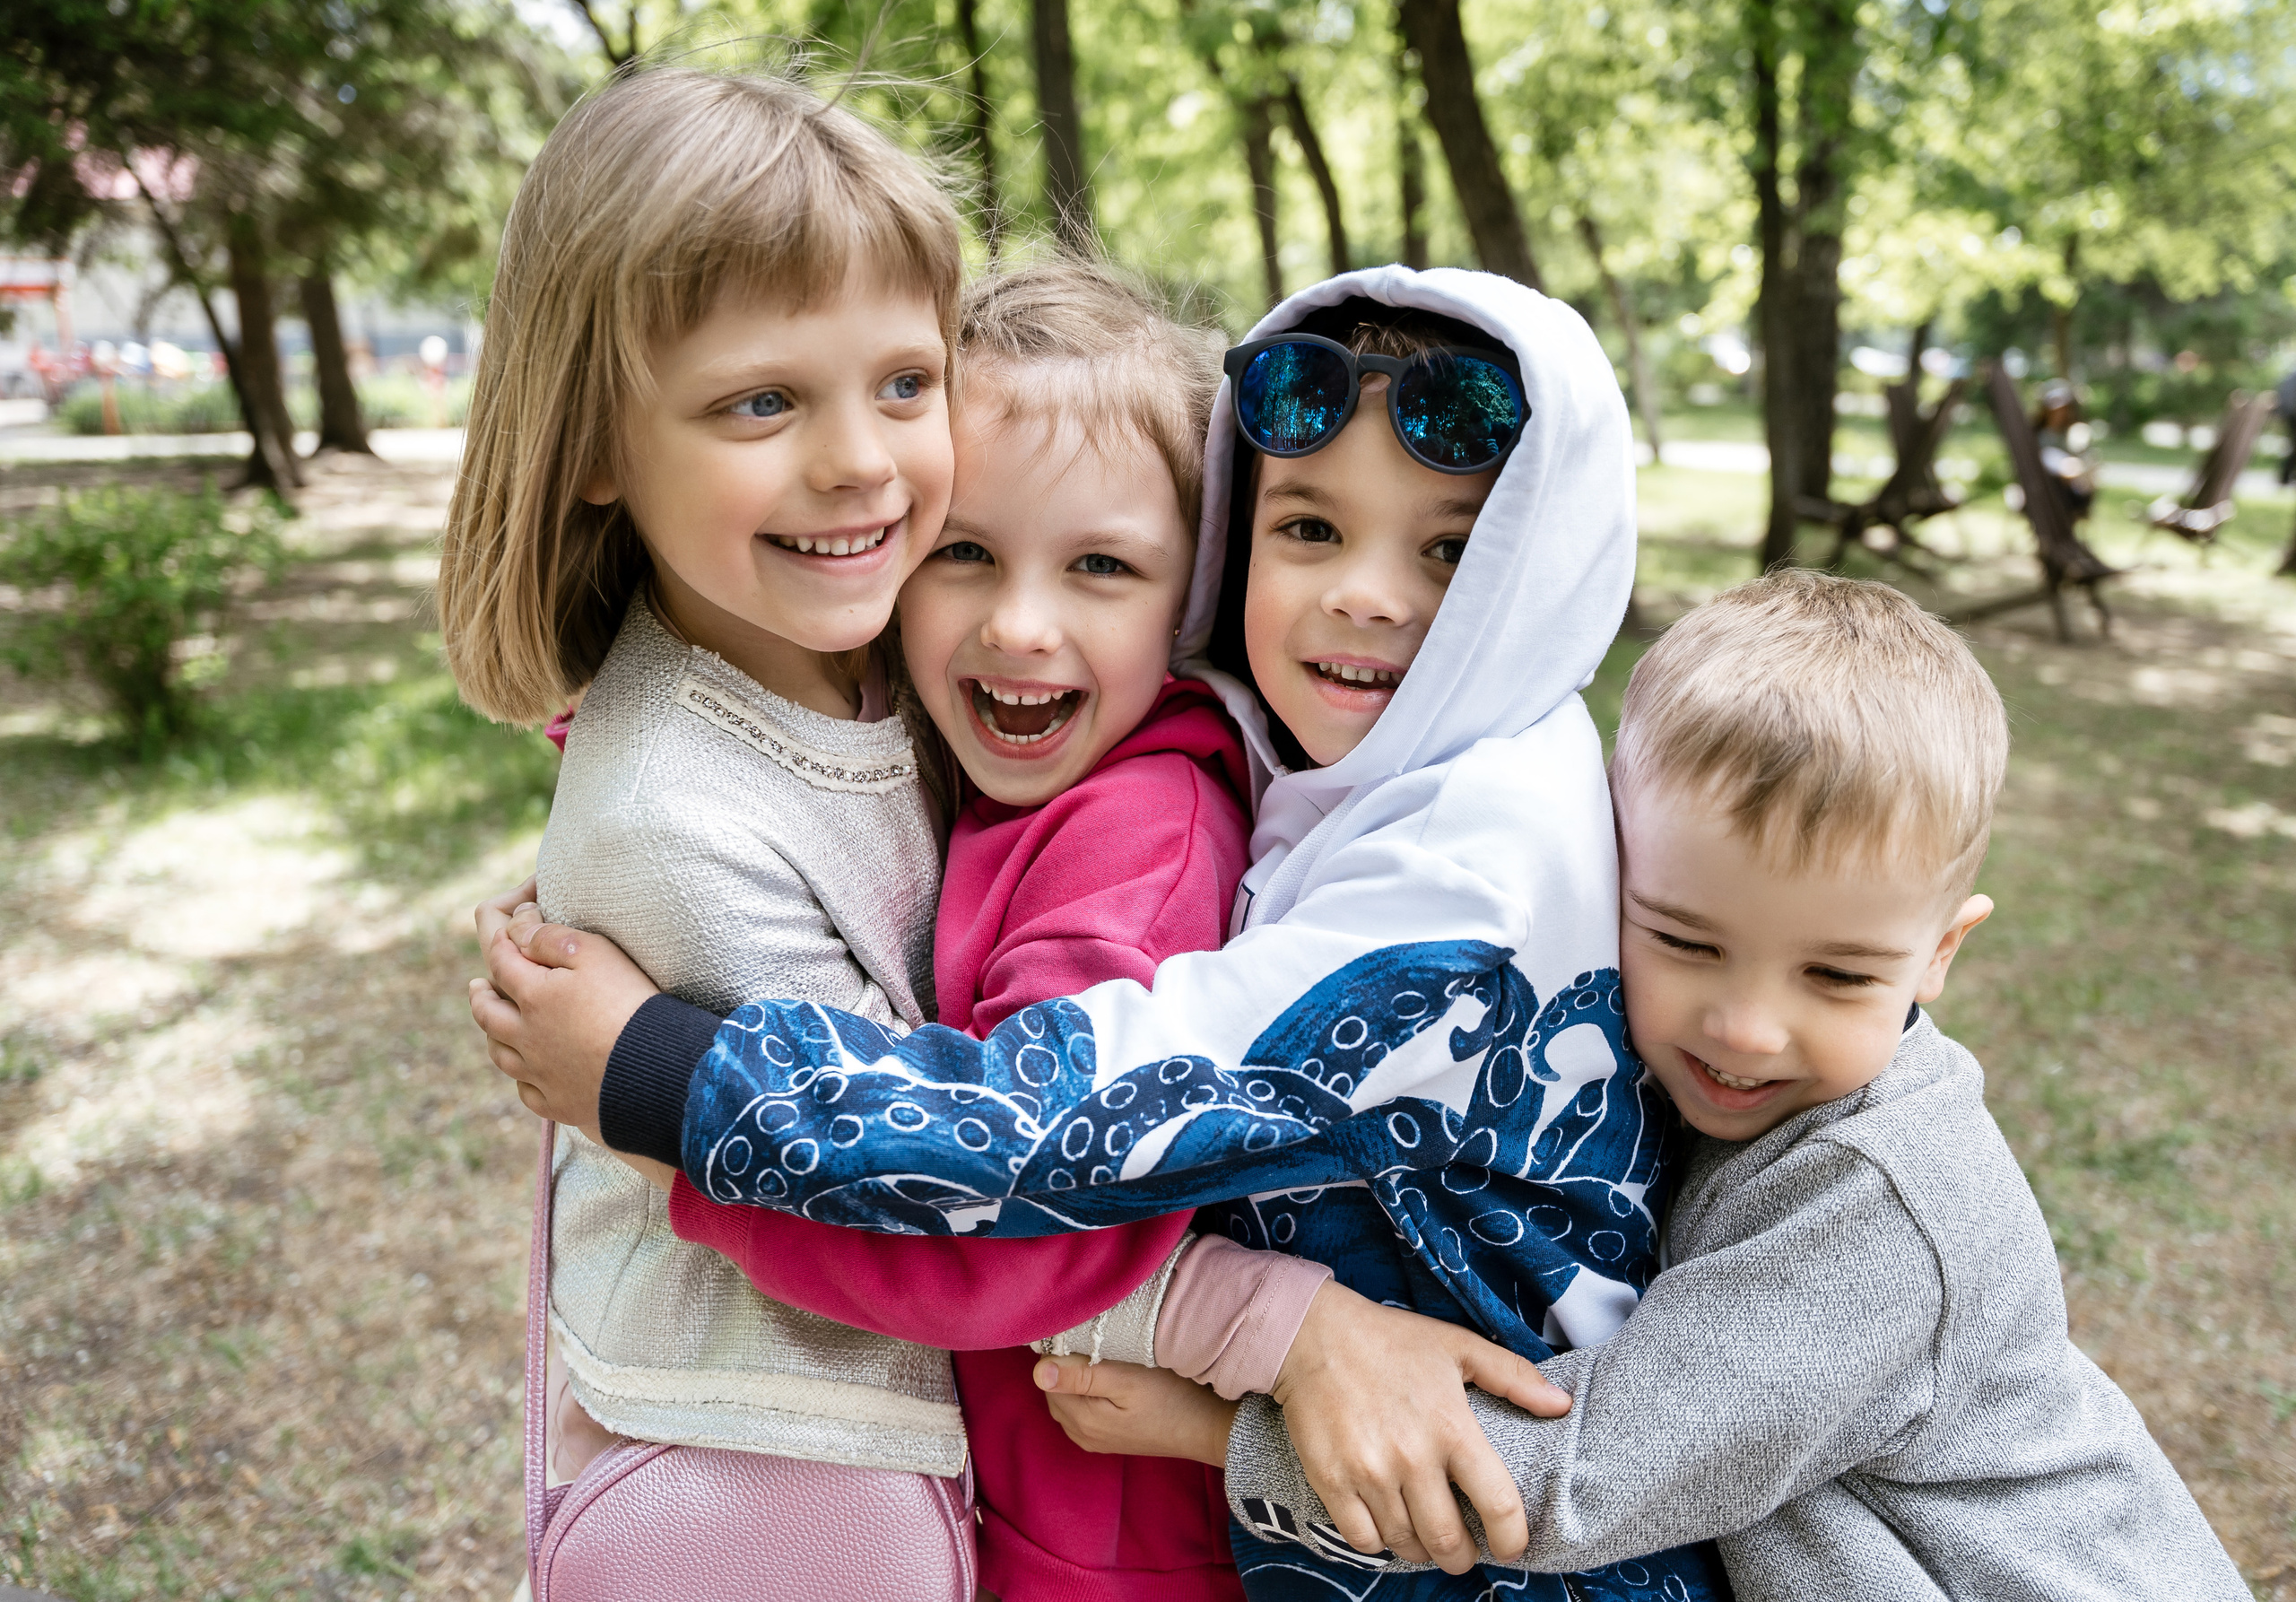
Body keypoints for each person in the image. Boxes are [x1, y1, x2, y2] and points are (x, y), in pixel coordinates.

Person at [474, 266, 1731, 1602]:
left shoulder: (1460, 866)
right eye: (1309, 527)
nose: (1366, 594)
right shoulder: (1391, 756)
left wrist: (656, 1075)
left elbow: (1060, 1133)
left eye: (1449, 547)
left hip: (1491, 1549)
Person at [433, 65, 1219, 1595]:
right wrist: (1297, 1335)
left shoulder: (874, 652)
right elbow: (948, 1199)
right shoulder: (675, 818)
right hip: (784, 1480)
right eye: (763, 401)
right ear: (596, 442)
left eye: (904, 385)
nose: (859, 457)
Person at [1146, 571, 2245, 1599]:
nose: (1747, 1027)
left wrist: (1218, 1427)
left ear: (1942, 953)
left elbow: (1584, 1479)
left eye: (1837, 973)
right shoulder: (1709, 1084)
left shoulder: (1875, 1204)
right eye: (1684, 940)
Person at [654, 259, 1416, 1601]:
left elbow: (1025, 1218)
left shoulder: (1139, 838)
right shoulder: (1021, 758)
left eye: (1102, 566)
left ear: (1193, 600)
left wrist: (690, 1163)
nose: (1020, 623)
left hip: (1106, 1546)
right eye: (964, 552)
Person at [2032, 379, 2096, 519]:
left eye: (2064, 409)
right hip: (2045, 489)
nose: (2060, 413)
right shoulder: (2036, 434)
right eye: (2055, 409)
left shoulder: (2074, 433)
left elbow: (2085, 462)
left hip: (2071, 492)